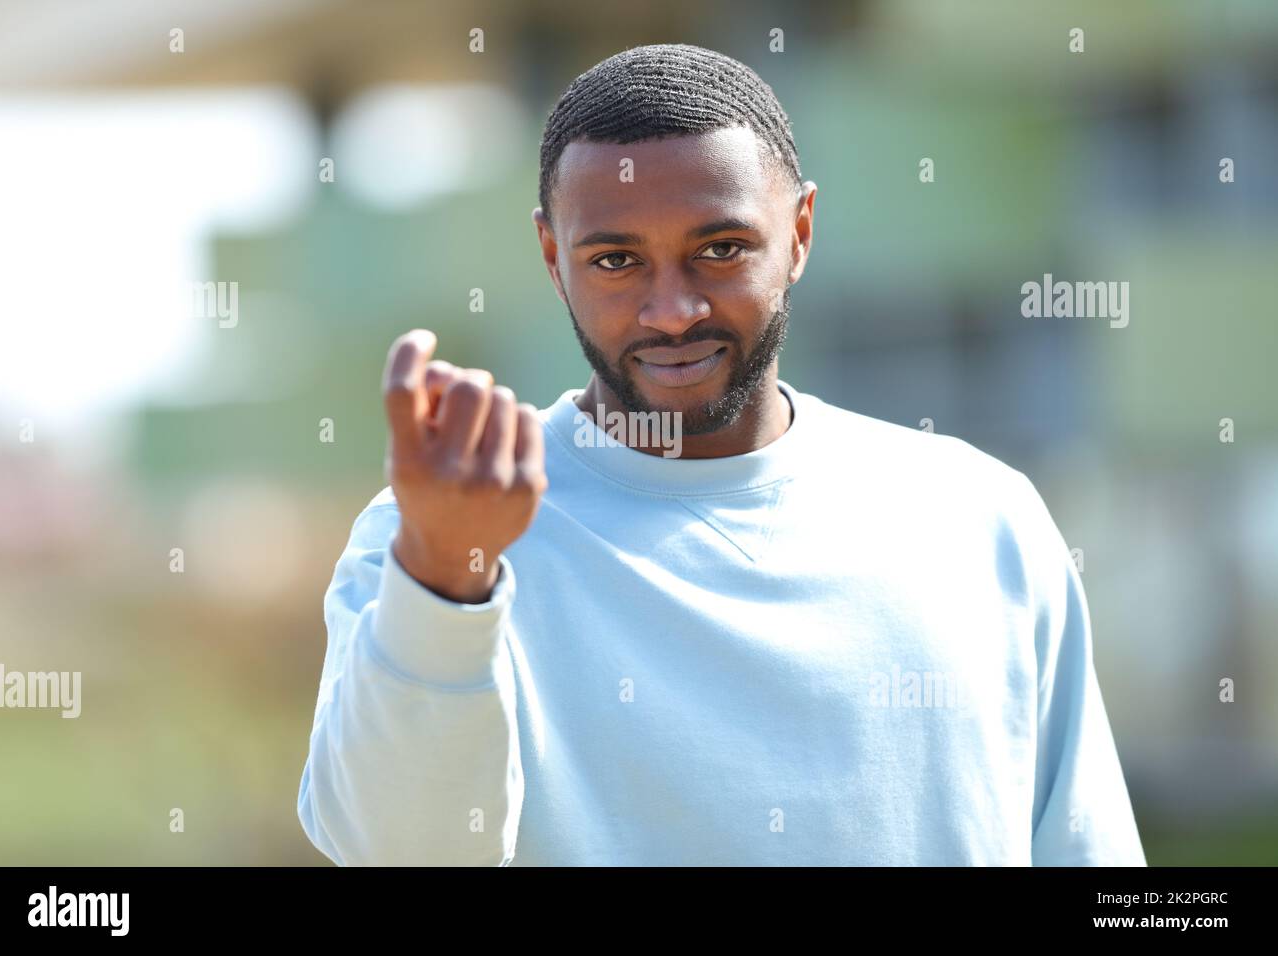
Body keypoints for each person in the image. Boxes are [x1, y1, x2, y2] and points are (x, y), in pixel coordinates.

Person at [296, 43, 1146, 866]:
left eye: (721, 249)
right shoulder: (437, 537)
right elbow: (397, 852)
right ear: (555, 260)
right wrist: (445, 580)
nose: (671, 310)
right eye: (616, 260)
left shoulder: (977, 513)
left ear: (800, 232)